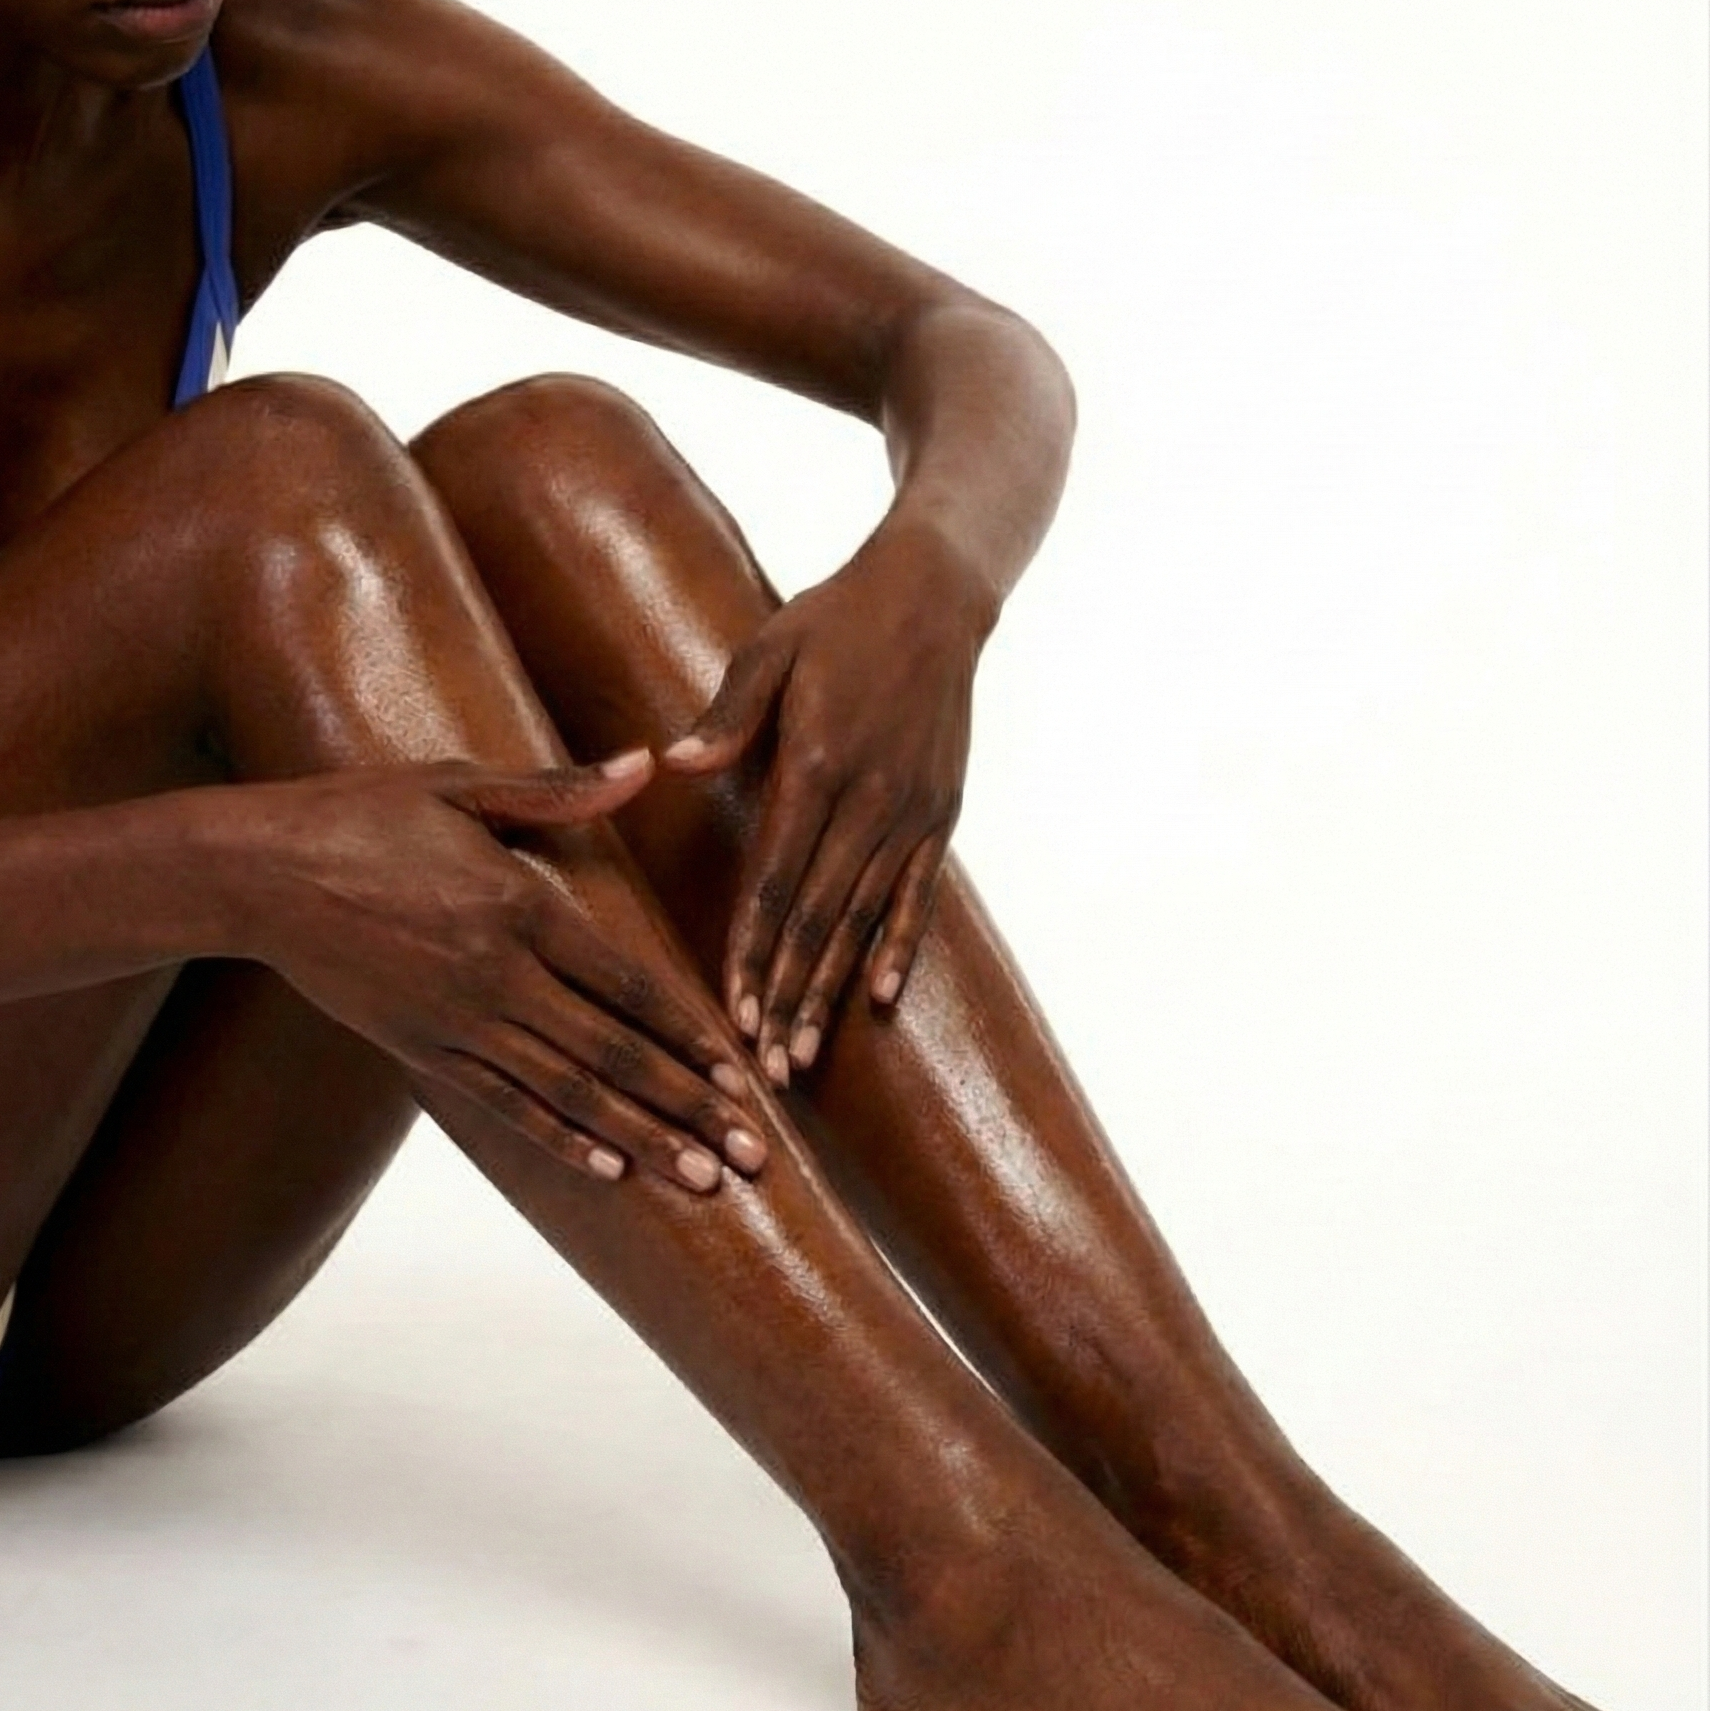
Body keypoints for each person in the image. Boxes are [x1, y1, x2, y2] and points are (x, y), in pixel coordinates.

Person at [0, 2, 1602, 1706]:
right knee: (277, 489)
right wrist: (237, 875)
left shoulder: (271, 71)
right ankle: (965, 1574)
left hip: (83, 1261)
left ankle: (1242, 1519)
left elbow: (949, 336)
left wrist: (939, 571)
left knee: (559, 466)